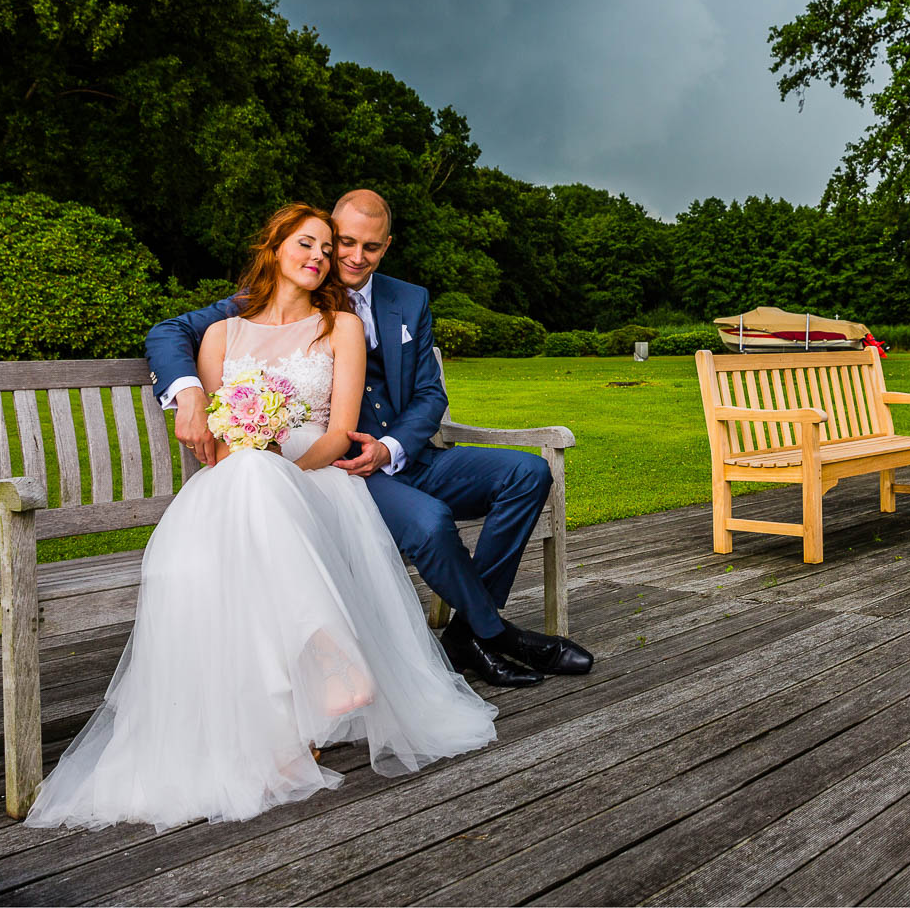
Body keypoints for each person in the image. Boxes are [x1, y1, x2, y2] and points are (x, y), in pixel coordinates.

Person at [26, 205, 498, 831]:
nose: (323, 258)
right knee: (244, 482)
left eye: (329, 250)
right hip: (237, 487)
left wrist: (279, 464)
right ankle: (315, 678)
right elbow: (220, 447)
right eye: (310, 244)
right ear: (275, 247)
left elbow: (337, 437)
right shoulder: (222, 334)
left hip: (317, 483)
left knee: (257, 479)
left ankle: (300, 706)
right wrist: (213, 414)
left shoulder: (341, 328)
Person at [147, 189, 592, 687]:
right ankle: (498, 636)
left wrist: (391, 446)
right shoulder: (288, 287)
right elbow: (170, 332)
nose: (355, 257)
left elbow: (429, 393)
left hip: (407, 454)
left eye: (372, 247)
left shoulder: (409, 298)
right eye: (345, 243)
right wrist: (188, 395)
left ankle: (470, 632)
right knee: (430, 522)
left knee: (528, 472)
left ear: (387, 246)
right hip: (341, 468)